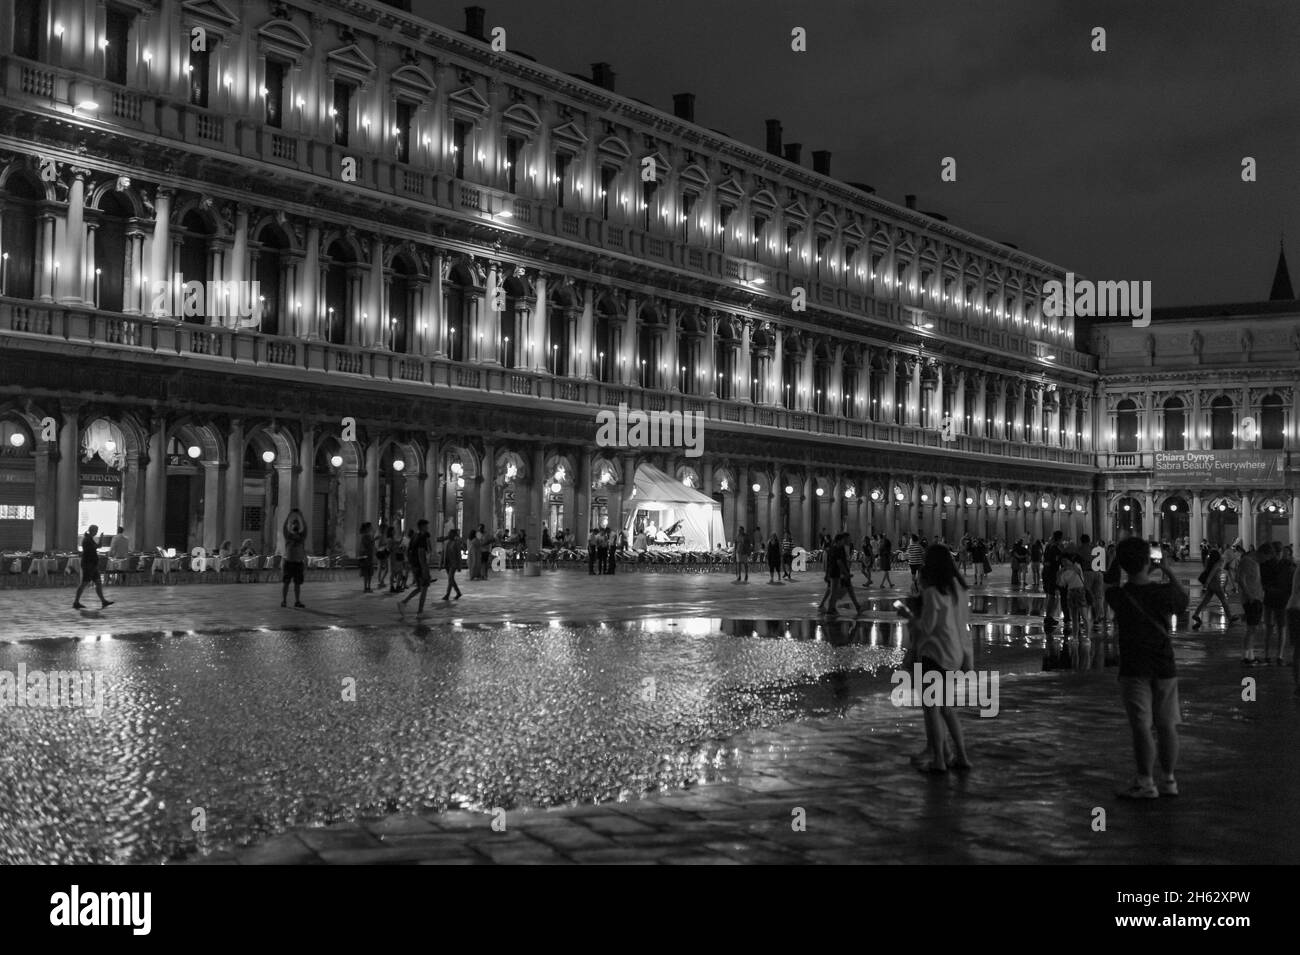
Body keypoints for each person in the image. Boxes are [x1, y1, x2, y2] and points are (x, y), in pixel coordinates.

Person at [1104, 537, 1187, 799]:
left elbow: (1109, 581)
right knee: (1167, 725)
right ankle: (1170, 781)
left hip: (1133, 667)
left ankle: (1145, 782)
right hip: (1164, 664)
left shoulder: (1118, 596)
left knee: (1141, 726)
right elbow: (1183, 600)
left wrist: (1118, 558)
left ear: (1123, 563)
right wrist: (1166, 569)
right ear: (1148, 562)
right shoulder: (1164, 593)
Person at [897, 544, 973, 773]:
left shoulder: (933, 592)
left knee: (931, 709)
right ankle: (959, 755)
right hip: (955, 652)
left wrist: (908, 615)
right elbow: (962, 625)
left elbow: (927, 627)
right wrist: (968, 657)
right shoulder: (958, 588)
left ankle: (939, 759)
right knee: (947, 708)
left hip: (935, 653)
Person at [1262, 541, 1293, 666]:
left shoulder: (1267, 565)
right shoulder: (1287, 565)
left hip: (1274, 599)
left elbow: (1263, 582)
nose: (1279, 555)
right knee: (1278, 628)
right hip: (1278, 599)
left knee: (1274, 628)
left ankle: (1271, 655)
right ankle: (1275, 655)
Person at [398, 519, 436, 613]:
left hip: (414, 565)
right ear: (422, 526)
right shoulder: (422, 537)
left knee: (420, 588)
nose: (427, 528)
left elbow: (408, 551)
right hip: (420, 566)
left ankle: (404, 602)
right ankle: (420, 612)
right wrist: (424, 569)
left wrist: (412, 564)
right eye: (426, 526)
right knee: (424, 588)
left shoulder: (414, 536)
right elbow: (421, 553)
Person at [1191, 544, 1232, 630]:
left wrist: (1206, 584)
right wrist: (1207, 583)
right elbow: (1212, 573)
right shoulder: (1218, 563)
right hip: (1215, 583)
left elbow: (1207, 567)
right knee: (1223, 600)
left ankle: (1196, 614)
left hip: (1210, 584)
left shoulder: (1209, 562)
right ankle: (1230, 617)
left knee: (1205, 601)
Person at [73, 525, 113, 610]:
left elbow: (98, 546)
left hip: (93, 565)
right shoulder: (87, 540)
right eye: (96, 530)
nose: (96, 532)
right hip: (88, 565)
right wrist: (100, 541)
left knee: (98, 582)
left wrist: (101, 538)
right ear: (92, 530)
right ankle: (76, 602)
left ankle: (103, 601)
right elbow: (95, 548)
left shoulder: (90, 539)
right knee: (84, 583)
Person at [1236, 544, 1265, 665]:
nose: (1265, 561)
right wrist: (1250, 596)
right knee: (1251, 628)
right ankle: (1247, 657)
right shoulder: (1248, 562)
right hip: (1251, 600)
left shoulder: (1254, 562)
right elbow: (1240, 579)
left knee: (1252, 629)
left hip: (1255, 598)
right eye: (1266, 557)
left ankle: (1249, 655)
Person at [281, 509, 308, 608]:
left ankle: (297, 601)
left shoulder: (301, 537)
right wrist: (289, 516)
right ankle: (284, 601)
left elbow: (305, 528)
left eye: (296, 524)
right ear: (291, 526)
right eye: (293, 524)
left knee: (297, 584)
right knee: (286, 583)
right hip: (289, 562)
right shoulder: (288, 536)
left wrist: (301, 516)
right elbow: (284, 527)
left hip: (298, 563)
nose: (295, 525)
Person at [441, 527, 464, 600]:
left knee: (450, 578)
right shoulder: (447, 543)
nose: (449, 535)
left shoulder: (456, 543)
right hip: (447, 563)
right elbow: (444, 554)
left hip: (453, 564)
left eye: (450, 534)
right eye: (449, 534)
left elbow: (458, 555)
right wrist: (441, 564)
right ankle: (458, 592)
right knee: (451, 579)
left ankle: (447, 594)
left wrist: (459, 566)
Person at [359, 521, 376, 593]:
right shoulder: (366, 536)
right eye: (371, 527)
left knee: (368, 573)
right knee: (367, 573)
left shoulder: (366, 535)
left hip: (368, 555)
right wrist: (374, 539)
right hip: (367, 556)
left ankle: (367, 587)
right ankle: (366, 587)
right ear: (368, 528)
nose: (372, 528)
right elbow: (369, 545)